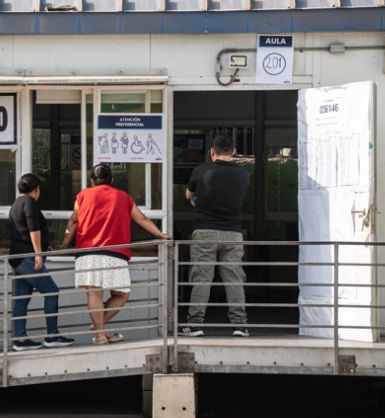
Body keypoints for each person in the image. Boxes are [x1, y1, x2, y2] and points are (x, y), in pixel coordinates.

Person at [61, 164, 171, 345]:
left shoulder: (82, 196)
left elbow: (73, 221)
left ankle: (100, 331)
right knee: (122, 295)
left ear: (91, 181)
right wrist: (160, 234)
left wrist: (65, 244)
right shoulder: (123, 197)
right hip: (115, 252)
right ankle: (100, 329)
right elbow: (141, 218)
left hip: (87, 253)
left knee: (94, 293)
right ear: (112, 180)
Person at [182, 133, 251, 337]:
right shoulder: (243, 174)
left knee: (202, 279)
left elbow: (189, 195)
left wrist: (198, 198)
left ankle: (195, 325)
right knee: (234, 279)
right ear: (234, 152)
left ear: (212, 151)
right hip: (233, 233)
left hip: (205, 232)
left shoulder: (202, 170)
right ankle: (240, 325)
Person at [8, 174, 74, 351]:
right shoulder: (29, 203)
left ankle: (20, 339)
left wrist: (45, 248)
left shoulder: (16, 204)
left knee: (22, 299)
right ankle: (52, 335)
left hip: (18, 258)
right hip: (28, 257)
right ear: (36, 189)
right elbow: (33, 229)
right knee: (52, 291)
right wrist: (38, 253)